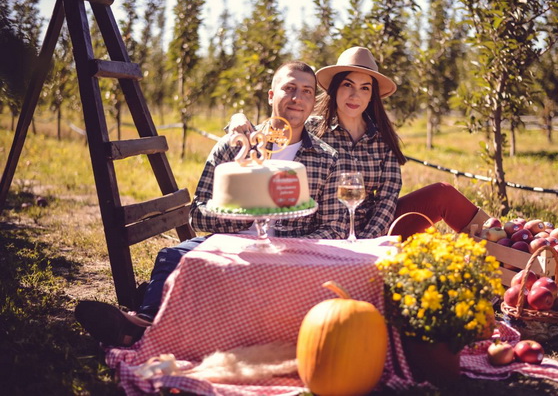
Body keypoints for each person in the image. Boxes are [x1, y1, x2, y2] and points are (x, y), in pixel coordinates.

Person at [75, 61, 351, 347]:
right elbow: (198, 214)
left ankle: (143, 331)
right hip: (230, 243)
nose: (298, 98)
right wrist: (244, 215)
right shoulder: (235, 145)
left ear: (313, 101)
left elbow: (333, 229)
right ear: (271, 95)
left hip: (288, 251)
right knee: (172, 256)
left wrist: (289, 248)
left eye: (307, 91)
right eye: (289, 88)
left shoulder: (326, 157)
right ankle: (142, 323)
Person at [228, 47, 490, 240]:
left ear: (372, 96)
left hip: (376, 230)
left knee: (442, 192)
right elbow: (272, 127)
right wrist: (237, 119)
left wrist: (366, 241)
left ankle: (506, 245)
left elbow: (388, 199)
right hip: (323, 231)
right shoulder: (311, 129)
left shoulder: (382, 138)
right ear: (335, 89)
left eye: (365, 88)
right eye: (348, 85)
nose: (355, 95)